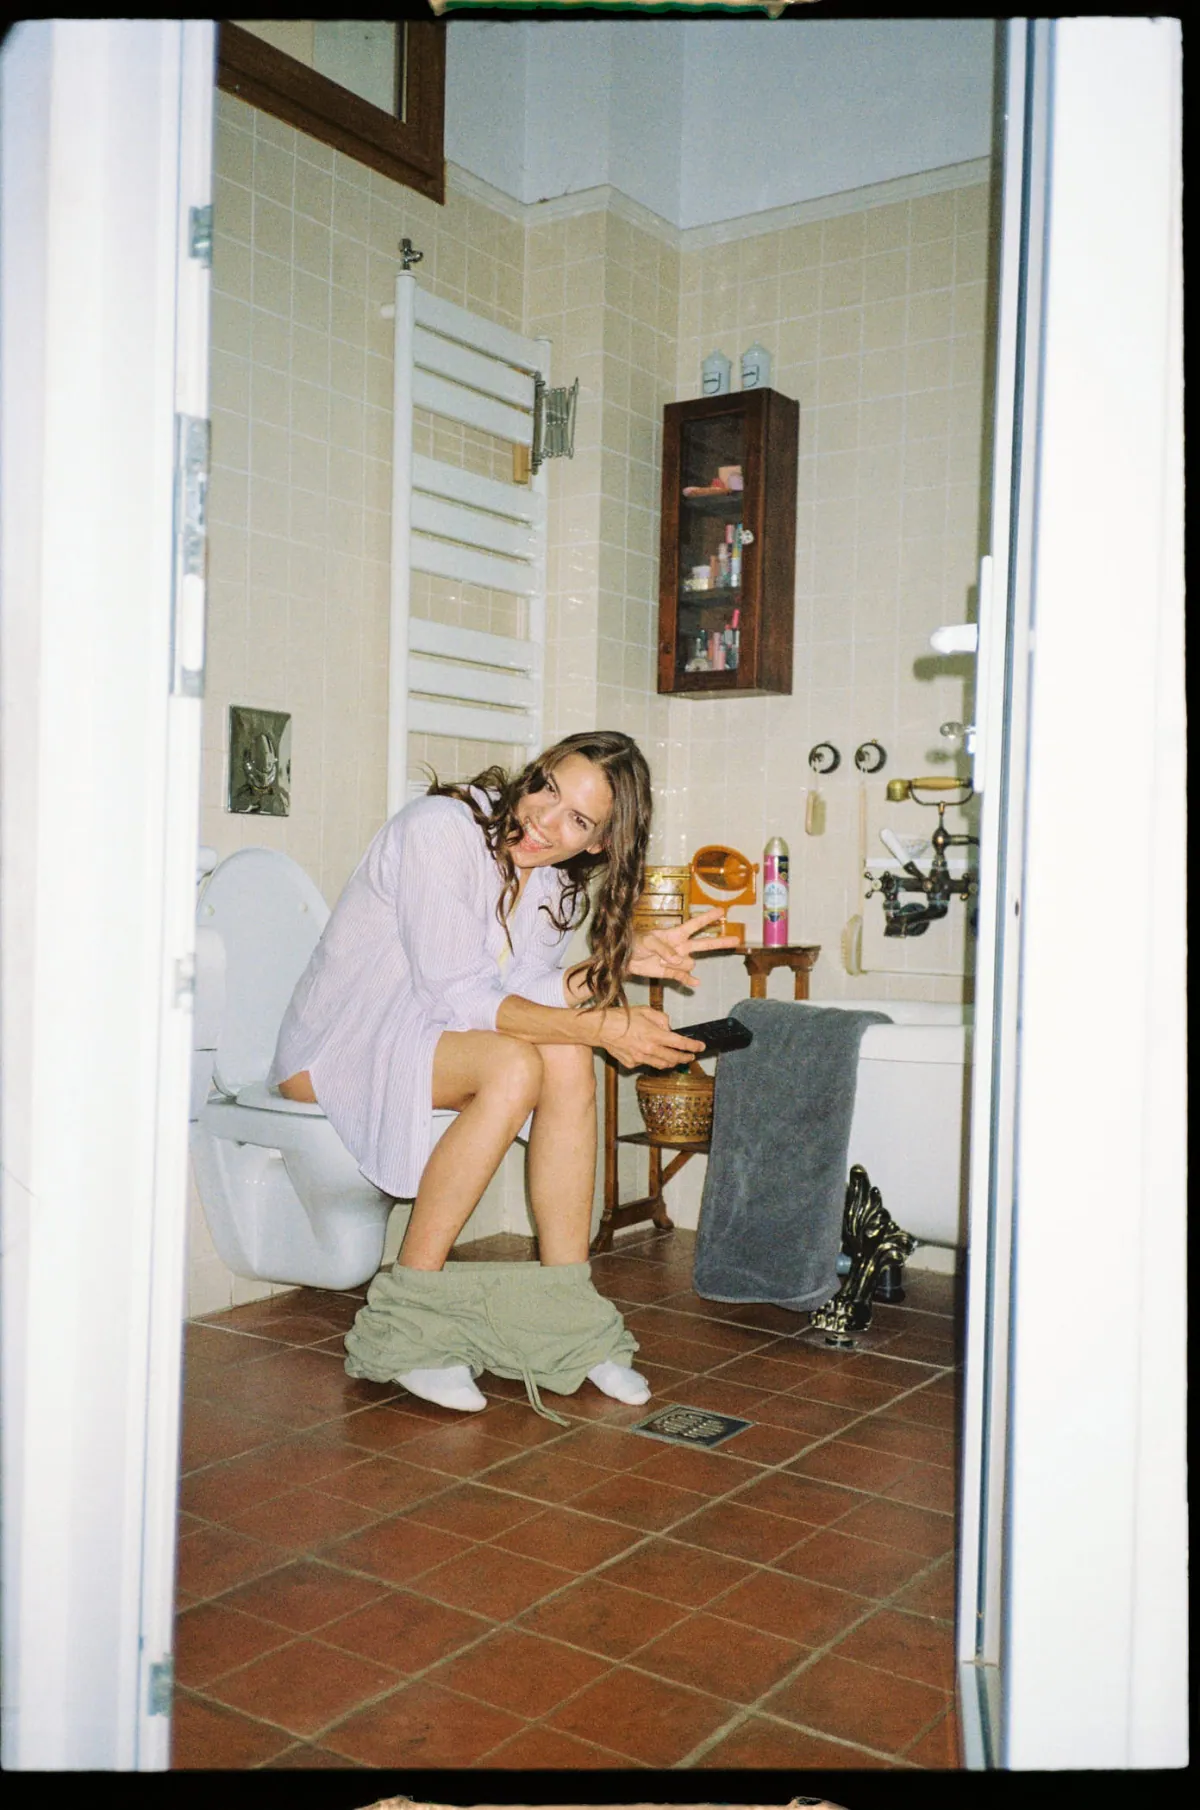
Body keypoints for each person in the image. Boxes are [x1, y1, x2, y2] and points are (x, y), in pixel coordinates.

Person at [269, 730, 737, 1416]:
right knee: (519, 1063)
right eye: (547, 788)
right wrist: (604, 1026)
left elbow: (525, 990)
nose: (544, 820)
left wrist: (615, 968)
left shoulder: (551, 879)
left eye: (577, 820)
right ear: (535, 772)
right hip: (336, 1046)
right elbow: (460, 996)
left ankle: (567, 1318)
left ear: (600, 844)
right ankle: (409, 1323)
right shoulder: (439, 830)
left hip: (422, 1033)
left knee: (566, 1053)